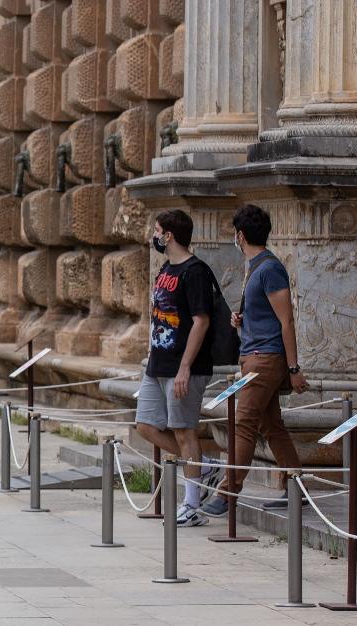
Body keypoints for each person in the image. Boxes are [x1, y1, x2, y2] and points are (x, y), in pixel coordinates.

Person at [203, 204, 309, 515]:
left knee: (243, 423)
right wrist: (243, 319)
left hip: (265, 359)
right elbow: (267, 315)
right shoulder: (258, 267)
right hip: (254, 356)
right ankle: (296, 486)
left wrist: (293, 369)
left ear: (240, 235)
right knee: (272, 426)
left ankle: (227, 493)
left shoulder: (269, 268)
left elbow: (287, 321)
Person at [135, 210, 221, 527]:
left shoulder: (195, 271)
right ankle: (203, 465)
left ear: (169, 235)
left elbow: (201, 321)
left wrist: (185, 367)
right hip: (158, 363)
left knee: (185, 432)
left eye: (157, 231)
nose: (154, 236)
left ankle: (192, 505)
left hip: (184, 367)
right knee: (145, 424)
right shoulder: (166, 268)